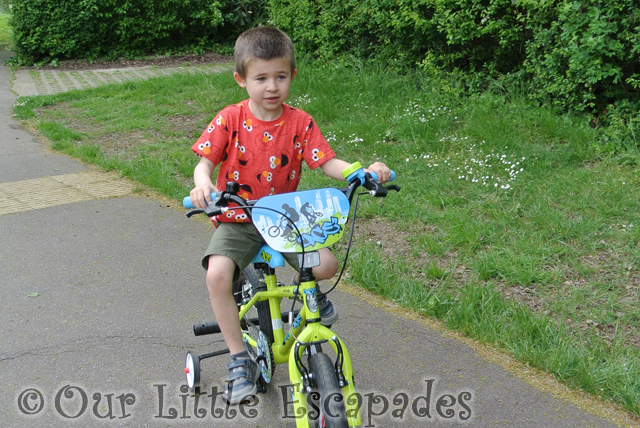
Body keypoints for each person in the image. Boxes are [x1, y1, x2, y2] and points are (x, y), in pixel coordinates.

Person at [189, 26, 391, 404]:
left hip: (285, 218)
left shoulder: (300, 122)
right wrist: (202, 186)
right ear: (241, 79)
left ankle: (306, 312)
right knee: (217, 274)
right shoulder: (230, 119)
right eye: (261, 78)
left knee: (326, 264)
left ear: (292, 76)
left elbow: (327, 162)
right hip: (239, 217)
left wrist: (360, 172)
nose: (271, 87)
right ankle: (237, 358)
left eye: (280, 77)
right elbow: (204, 164)